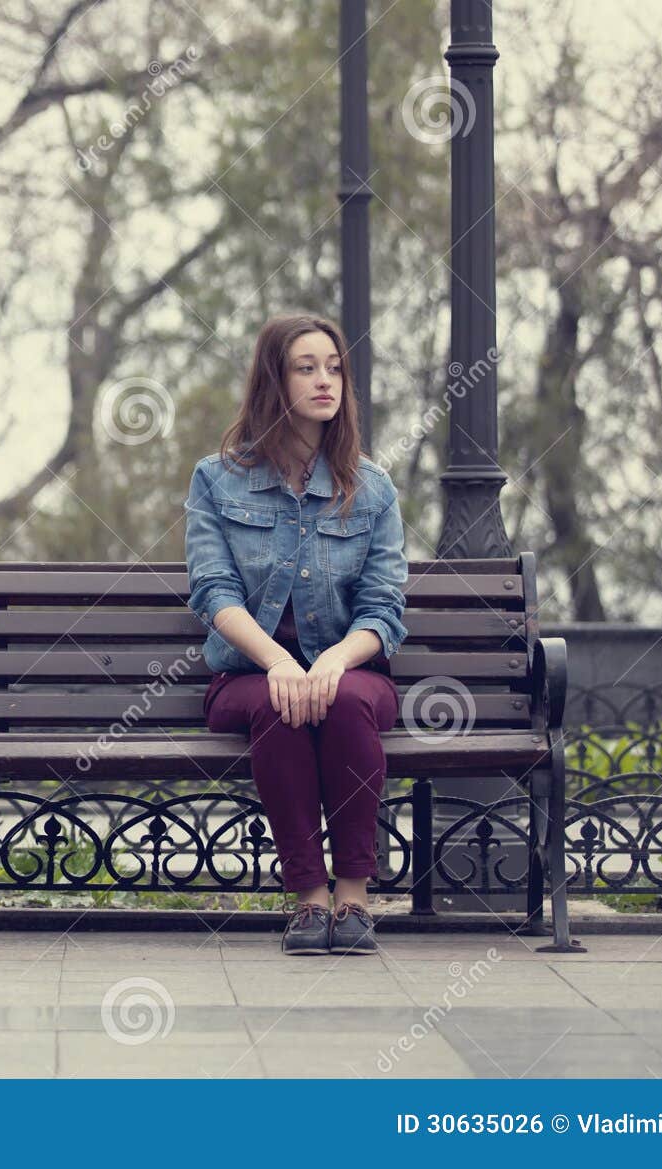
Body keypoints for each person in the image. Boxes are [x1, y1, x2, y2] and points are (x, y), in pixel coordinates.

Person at [183, 312, 408, 956]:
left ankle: (355, 899)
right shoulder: (217, 479)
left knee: (339, 698)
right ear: (272, 382)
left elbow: (384, 607)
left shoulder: (371, 490)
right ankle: (310, 901)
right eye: (305, 368)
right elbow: (213, 592)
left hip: (353, 673)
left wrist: (334, 659)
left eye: (334, 368)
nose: (324, 381)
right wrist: (280, 661)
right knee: (280, 703)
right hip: (248, 675)